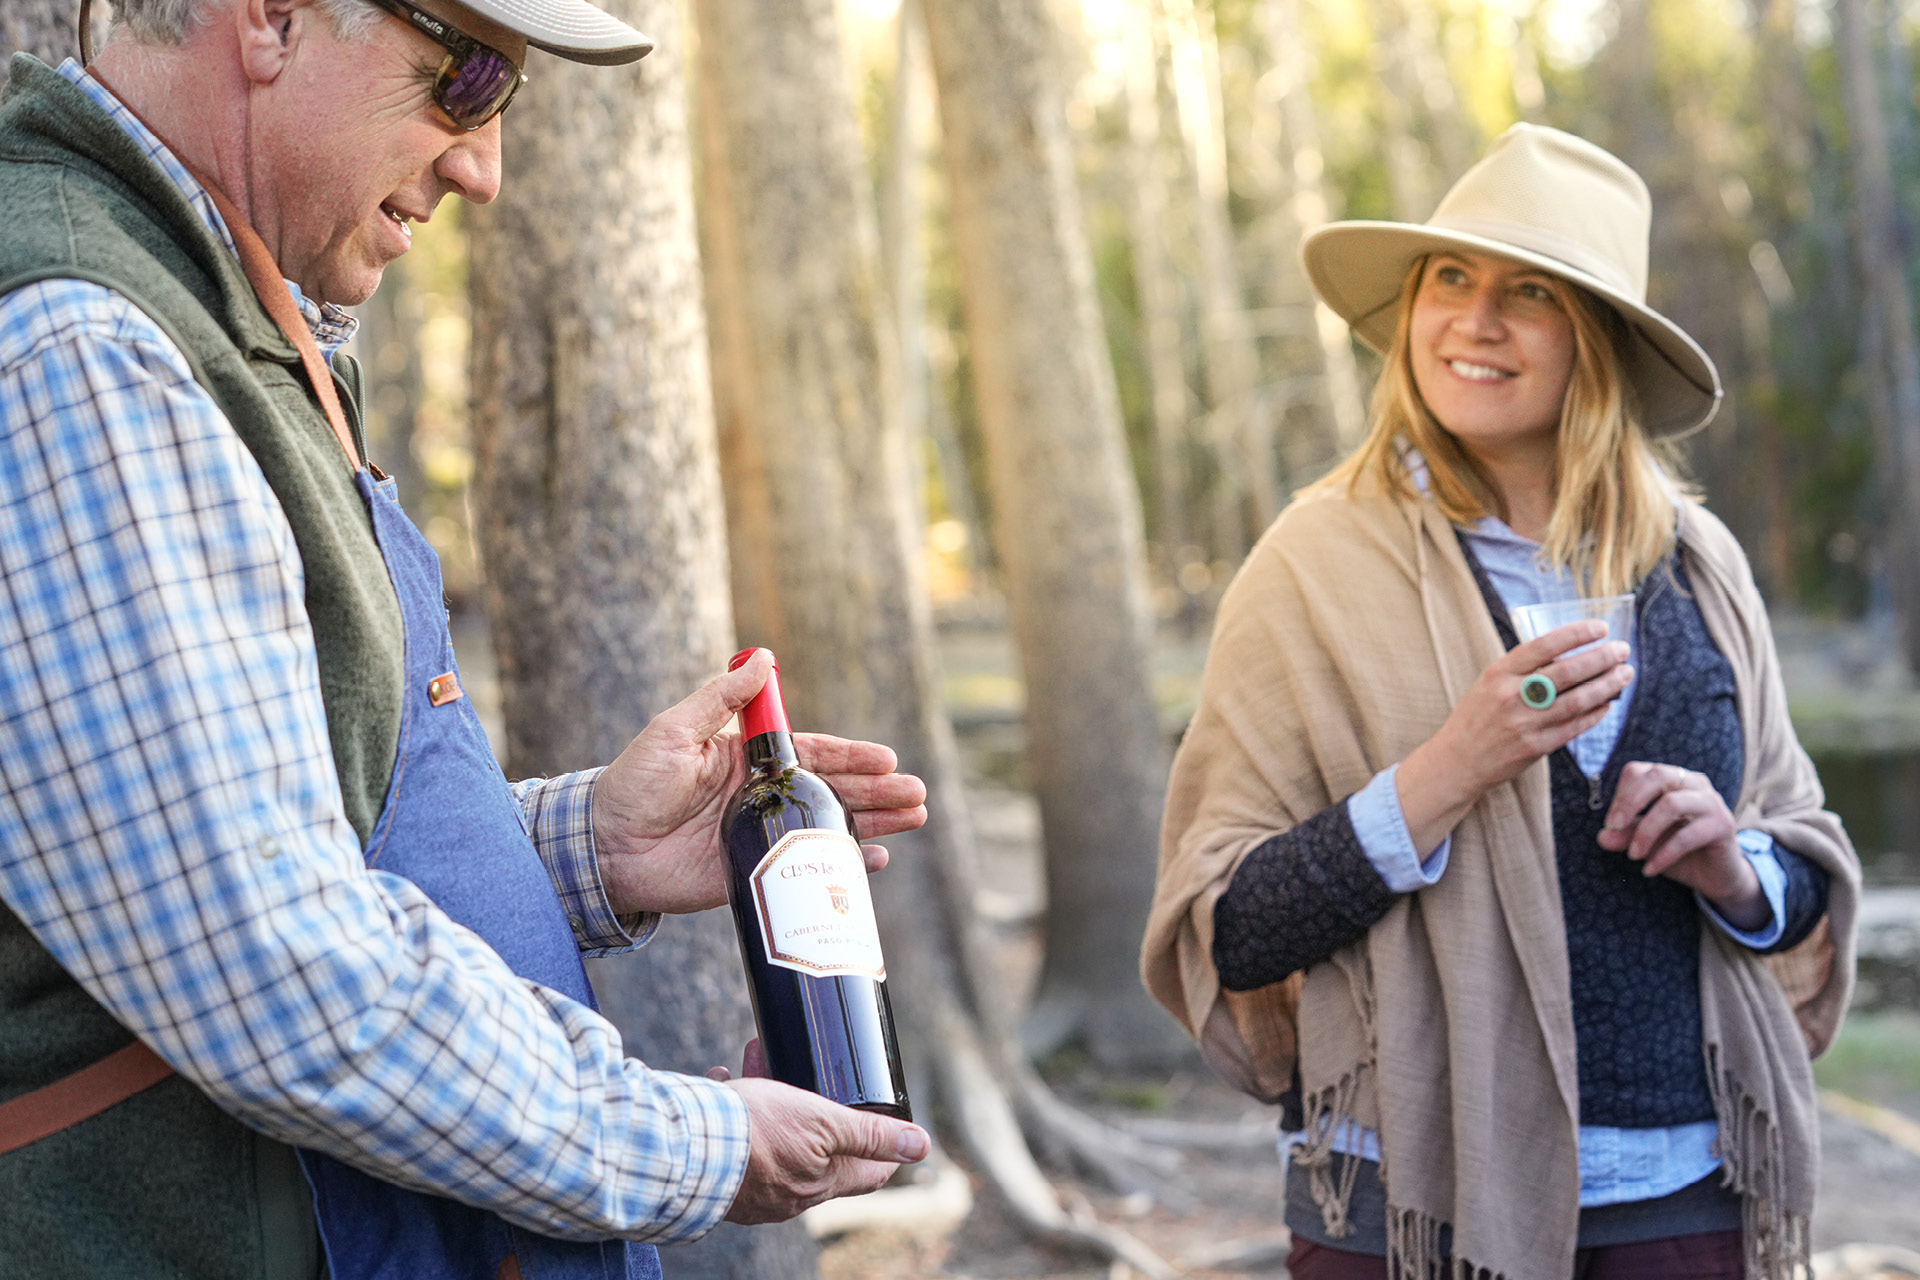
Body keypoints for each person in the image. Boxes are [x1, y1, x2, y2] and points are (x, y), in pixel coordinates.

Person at [0, 1, 932, 1276]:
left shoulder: (207, 307)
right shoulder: (85, 350)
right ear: (270, 16)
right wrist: (695, 1144)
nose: (484, 167)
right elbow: (280, 974)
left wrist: (588, 848)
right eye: (468, 78)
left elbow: (227, 852)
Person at [1142, 124, 1861, 1280]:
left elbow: (1805, 858)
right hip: (1413, 1200)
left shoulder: (1700, 562)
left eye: (1530, 292)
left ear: (1603, 341)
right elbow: (1232, 927)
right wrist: (1447, 770)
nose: (1475, 321)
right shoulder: (1311, 565)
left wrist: (1735, 867)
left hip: (1680, 1186)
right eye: (1451, 280)